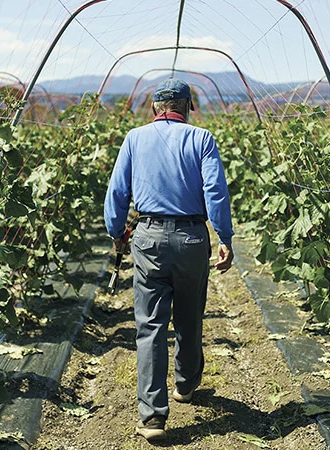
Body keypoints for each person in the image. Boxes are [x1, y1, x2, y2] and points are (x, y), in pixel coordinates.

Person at [103, 78, 235, 441]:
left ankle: (152, 418)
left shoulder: (134, 138)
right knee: (190, 317)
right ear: (188, 108)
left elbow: (117, 191)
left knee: (150, 327)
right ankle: (186, 385)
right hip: (192, 238)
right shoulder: (202, 139)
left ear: (154, 109)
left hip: (147, 238)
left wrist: (117, 232)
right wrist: (224, 237)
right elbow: (216, 192)